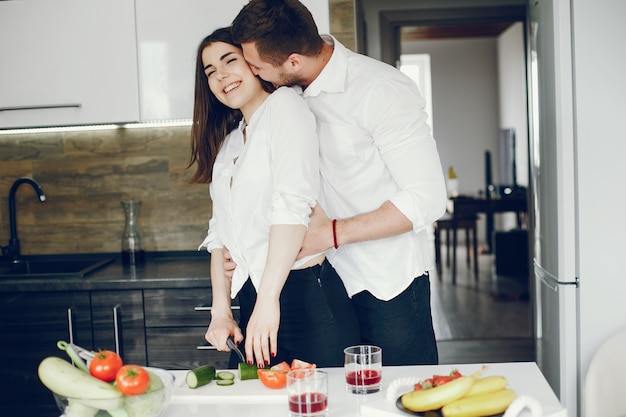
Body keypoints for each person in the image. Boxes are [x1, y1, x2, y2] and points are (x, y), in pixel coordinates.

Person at [230, 0, 448, 366]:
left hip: (383, 288)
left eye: (255, 66)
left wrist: (330, 233)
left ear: (294, 61)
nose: (251, 73)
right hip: (319, 293)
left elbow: (427, 199)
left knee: (397, 398)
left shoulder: (379, 88)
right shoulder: (279, 101)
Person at [188, 27, 360, 369]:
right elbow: (220, 233)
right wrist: (220, 312)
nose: (221, 75)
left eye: (229, 61)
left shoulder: (285, 107)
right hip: (255, 299)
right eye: (210, 72)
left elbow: (292, 205)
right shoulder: (231, 143)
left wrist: (269, 300)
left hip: (304, 298)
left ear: (253, 63)